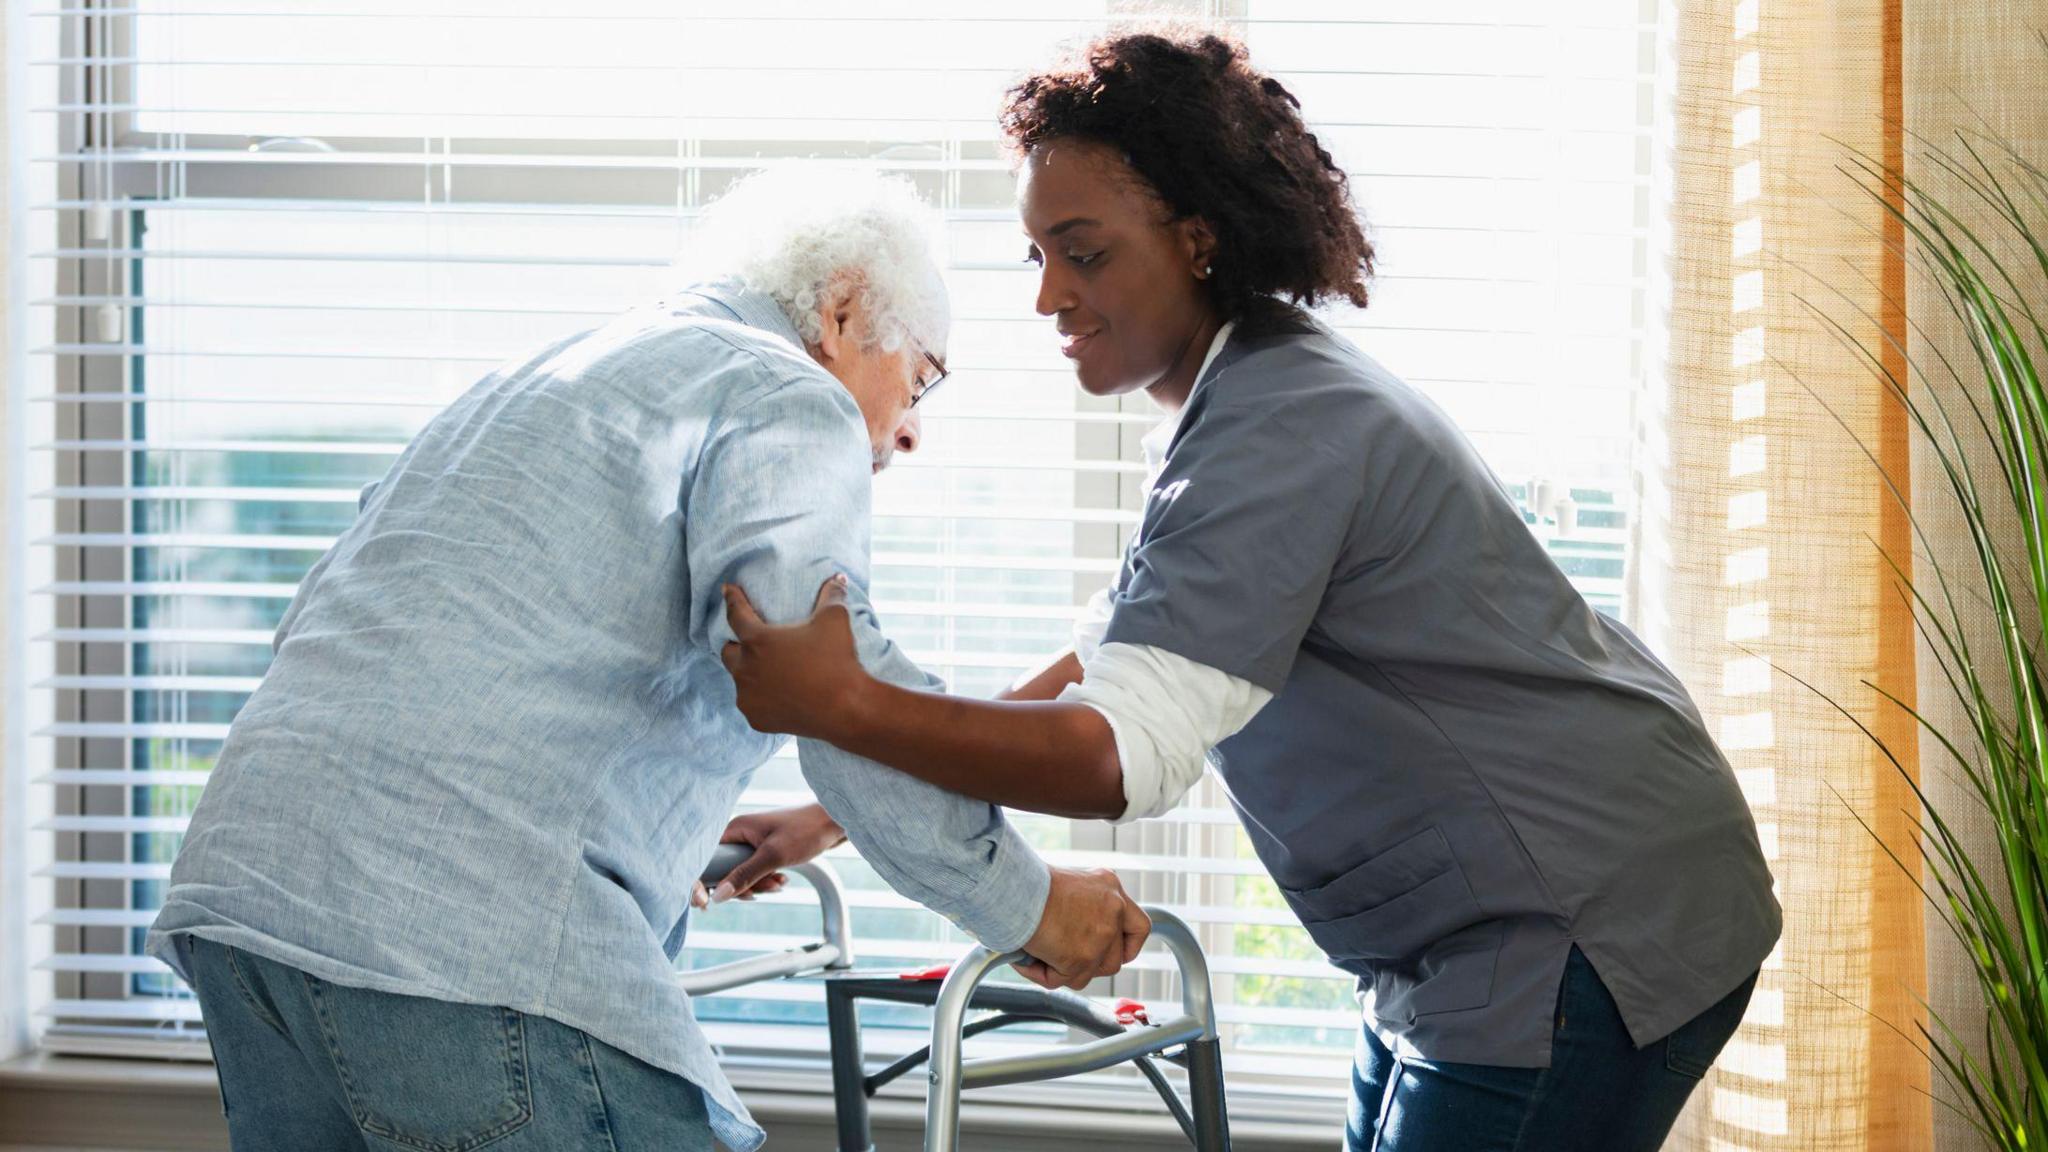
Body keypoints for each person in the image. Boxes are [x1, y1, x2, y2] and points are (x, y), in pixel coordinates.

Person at [714, 29, 1781, 1152]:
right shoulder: (1231, 407)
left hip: (1582, 918)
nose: (1047, 301)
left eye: (1082, 254)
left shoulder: (1279, 426)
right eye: (1036, 256)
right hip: (1472, 936)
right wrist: (835, 812)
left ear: (1198, 239)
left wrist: (843, 706)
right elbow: (1106, 661)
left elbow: (1112, 756)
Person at [144, 168, 1148, 1152]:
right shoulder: (783, 394)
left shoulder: (533, 382)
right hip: (461, 948)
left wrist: (658, 831)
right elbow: (837, 688)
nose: (913, 429)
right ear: (842, 311)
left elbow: (379, 644)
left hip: (252, 916)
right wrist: (1028, 903)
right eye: (921, 377)